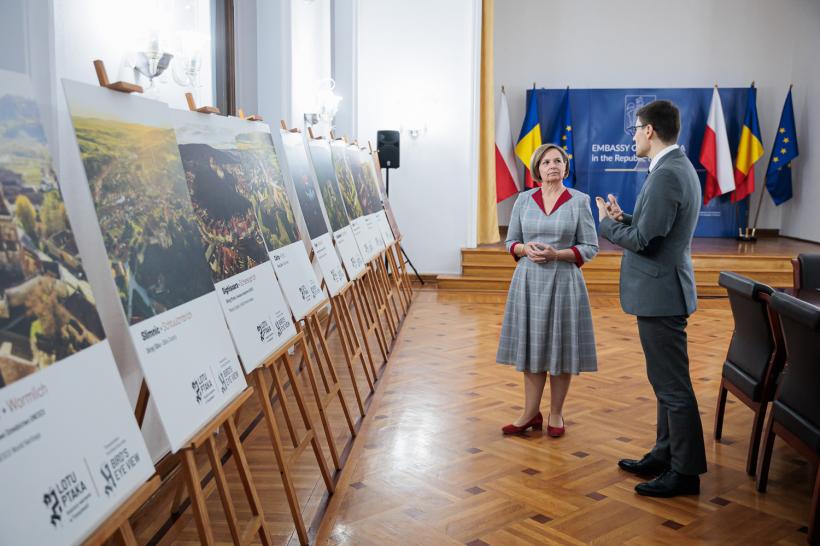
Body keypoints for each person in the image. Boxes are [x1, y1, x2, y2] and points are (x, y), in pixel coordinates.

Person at [596, 99, 707, 497]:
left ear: (649, 131)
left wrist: (608, 227)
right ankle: (665, 454)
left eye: (635, 130)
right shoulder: (673, 168)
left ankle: (686, 471)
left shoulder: (667, 174)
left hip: (662, 294)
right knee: (665, 384)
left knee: (673, 388)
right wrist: (624, 217)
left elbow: (644, 241)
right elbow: (652, 227)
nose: (633, 137)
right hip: (663, 290)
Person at [496, 143, 598, 438]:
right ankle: (529, 413)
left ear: (566, 167)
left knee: (561, 348)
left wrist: (559, 254)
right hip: (528, 281)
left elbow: (590, 247)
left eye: (558, 161)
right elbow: (509, 242)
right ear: (537, 170)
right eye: (546, 162)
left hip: (564, 281)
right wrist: (522, 248)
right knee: (532, 347)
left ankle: (556, 412)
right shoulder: (524, 201)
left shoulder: (579, 201)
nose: (552, 165)